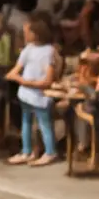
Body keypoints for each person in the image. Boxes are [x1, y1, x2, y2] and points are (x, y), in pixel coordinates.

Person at [5, 16, 60, 166]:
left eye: (27, 32)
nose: (24, 35)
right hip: (27, 94)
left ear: (36, 33)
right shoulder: (27, 50)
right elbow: (15, 70)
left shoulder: (49, 51)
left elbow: (48, 79)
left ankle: (50, 151)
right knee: (26, 122)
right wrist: (16, 77)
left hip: (40, 94)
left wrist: (23, 81)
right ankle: (26, 150)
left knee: (44, 124)